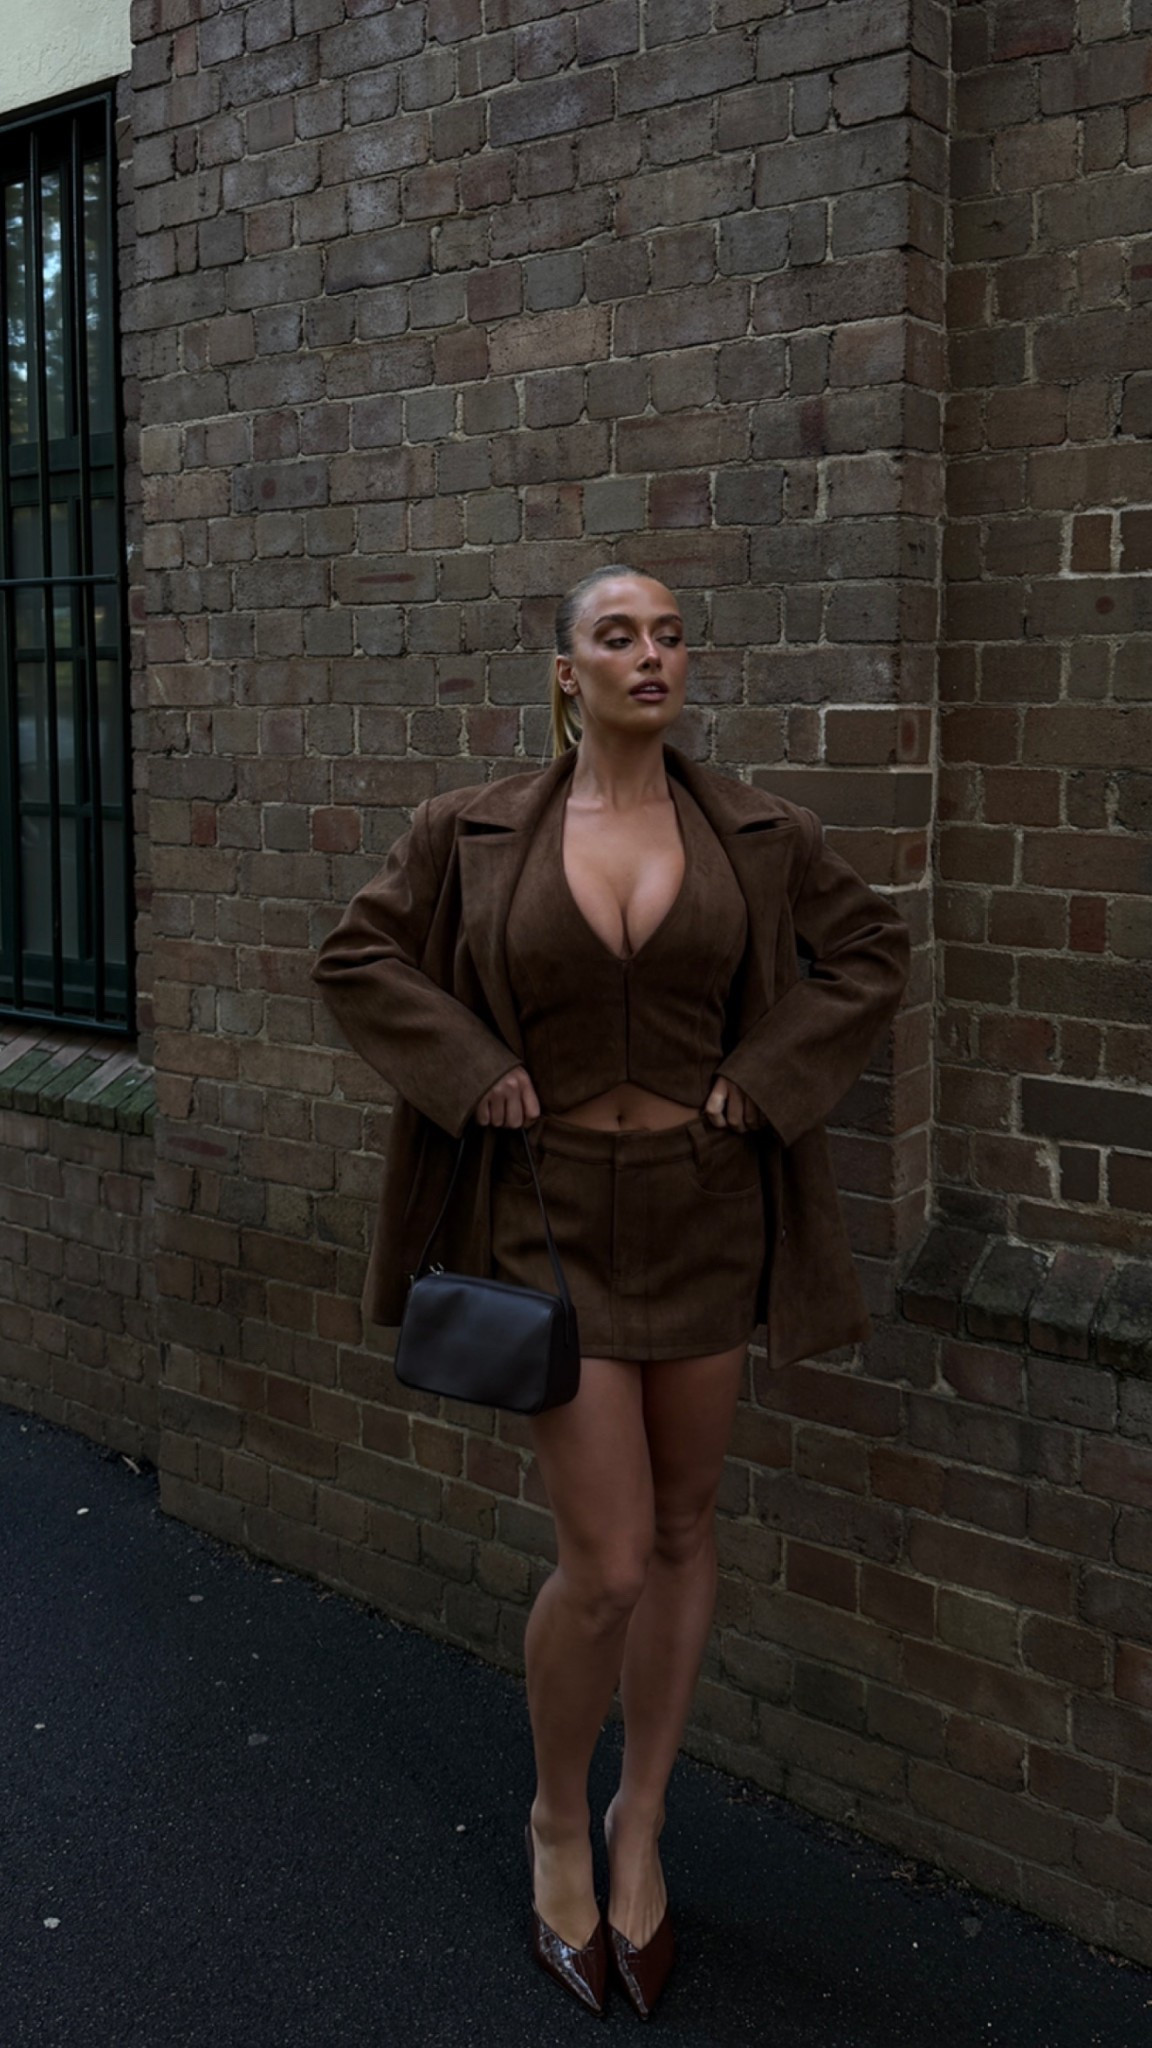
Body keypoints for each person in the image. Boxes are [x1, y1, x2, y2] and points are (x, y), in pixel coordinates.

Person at [310, 564, 910, 2020]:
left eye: (670, 636)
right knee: (612, 1563)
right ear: (567, 672)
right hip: (547, 1215)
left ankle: (642, 1821)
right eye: (618, 636)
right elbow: (356, 956)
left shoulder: (761, 832)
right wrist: (468, 1068)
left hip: (706, 1209)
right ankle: (557, 1819)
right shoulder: (467, 831)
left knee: (688, 1529)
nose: (653, 656)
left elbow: (871, 953)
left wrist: (764, 1079)